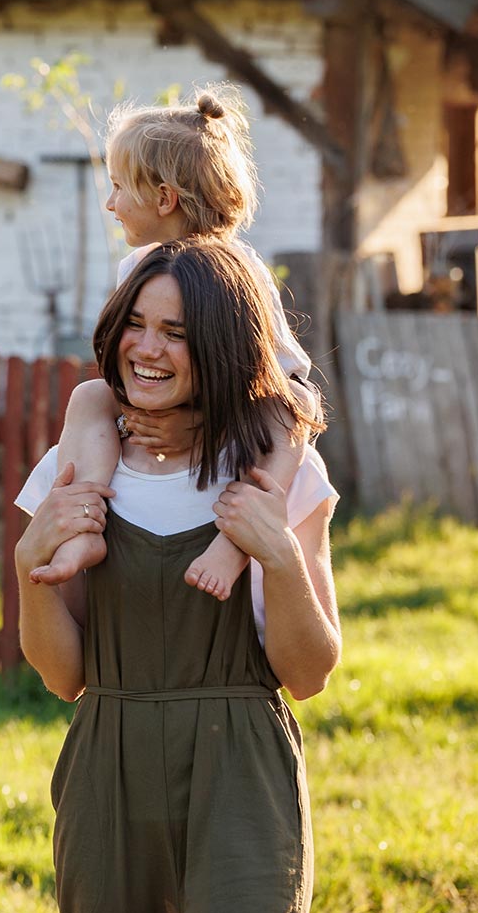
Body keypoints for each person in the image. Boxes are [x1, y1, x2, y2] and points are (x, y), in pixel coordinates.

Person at [16, 238, 340, 913]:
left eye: (177, 333)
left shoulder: (281, 473)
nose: (146, 349)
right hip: (109, 770)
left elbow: (312, 673)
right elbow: (65, 678)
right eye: (137, 323)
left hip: (242, 776)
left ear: (224, 348)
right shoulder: (75, 463)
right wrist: (26, 569)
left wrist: (279, 556)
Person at [32, 87, 316, 601]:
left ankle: (234, 542)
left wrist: (203, 418)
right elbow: (131, 369)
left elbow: (286, 380)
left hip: (251, 410)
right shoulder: (137, 267)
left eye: (119, 187)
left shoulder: (239, 272)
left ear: (164, 199)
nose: (110, 202)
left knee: (291, 415)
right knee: (89, 396)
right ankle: (85, 526)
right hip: (175, 407)